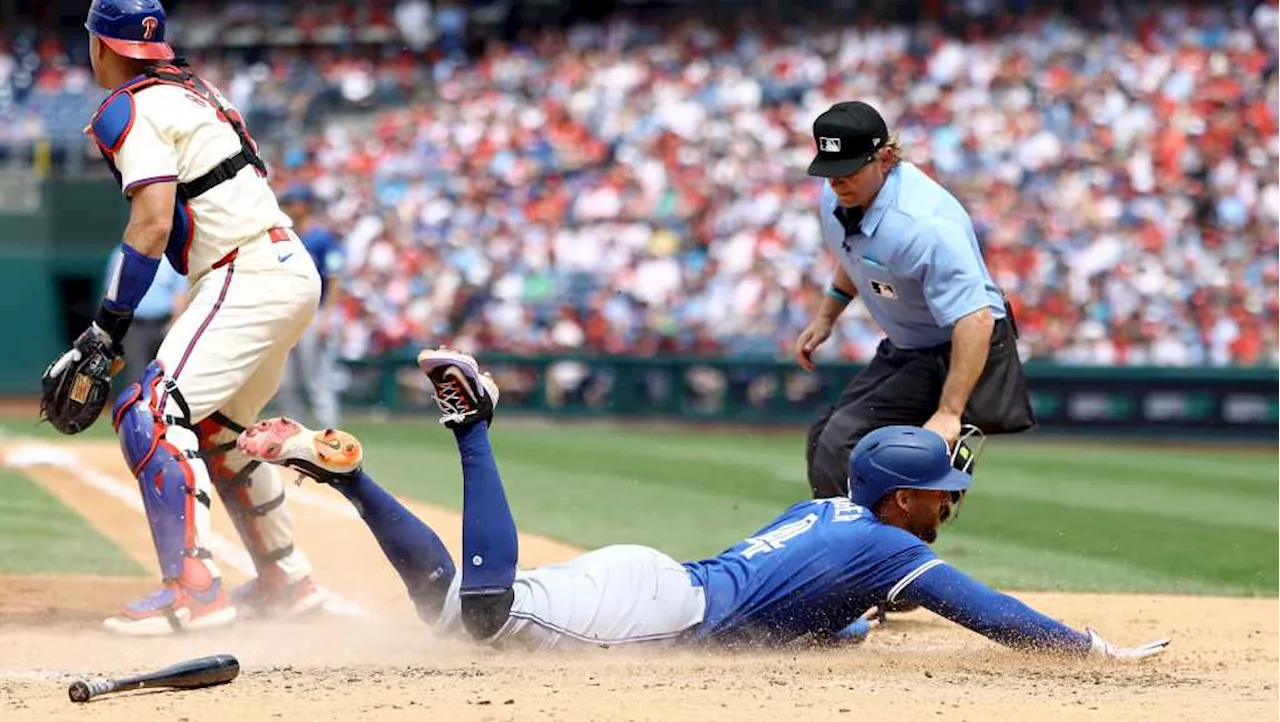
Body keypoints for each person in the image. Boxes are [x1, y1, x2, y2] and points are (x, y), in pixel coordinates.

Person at [234, 348, 1169, 659]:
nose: (950, 507)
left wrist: (849, 630)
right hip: (654, 604)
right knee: (479, 615)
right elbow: (985, 610)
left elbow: (793, 608)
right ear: (901, 499)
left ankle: (354, 478)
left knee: (454, 617)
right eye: (941, 494)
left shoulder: (832, 520)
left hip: (653, 585)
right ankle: (474, 426)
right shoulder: (889, 550)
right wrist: (1088, 651)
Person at [51, 0, 329, 634]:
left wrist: (106, 327)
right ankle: (288, 581)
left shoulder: (131, 105)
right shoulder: (195, 91)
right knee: (219, 430)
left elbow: (149, 224)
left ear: (100, 44)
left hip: (245, 269)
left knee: (147, 411)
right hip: (285, 265)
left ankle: (194, 591)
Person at [797, 101, 1037, 500]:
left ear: (886, 158)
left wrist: (949, 413)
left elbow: (974, 319)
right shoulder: (842, 197)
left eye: (848, 169)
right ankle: (862, 542)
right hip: (911, 345)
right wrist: (827, 314)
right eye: (830, 170)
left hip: (962, 346)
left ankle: (868, 550)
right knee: (825, 434)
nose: (837, 182)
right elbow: (856, 252)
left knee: (842, 443)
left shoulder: (922, 224)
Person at [275, 185, 343, 430]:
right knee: (285, 381)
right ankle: (292, 437)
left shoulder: (322, 239)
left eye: (294, 202)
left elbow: (335, 277)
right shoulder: (282, 237)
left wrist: (328, 316)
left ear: (306, 205)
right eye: (287, 202)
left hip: (315, 313)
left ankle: (332, 435)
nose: (289, 207)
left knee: (317, 380)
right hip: (286, 314)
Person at [103, 247, 185, 390]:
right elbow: (112, 291)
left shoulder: (172, 257)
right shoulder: (121, 254)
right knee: (137, 374)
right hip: (134, 325)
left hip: (165, 324)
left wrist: (175, 322)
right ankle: (136, 411)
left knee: (167, 373)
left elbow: (180, 292)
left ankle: (161, 411)